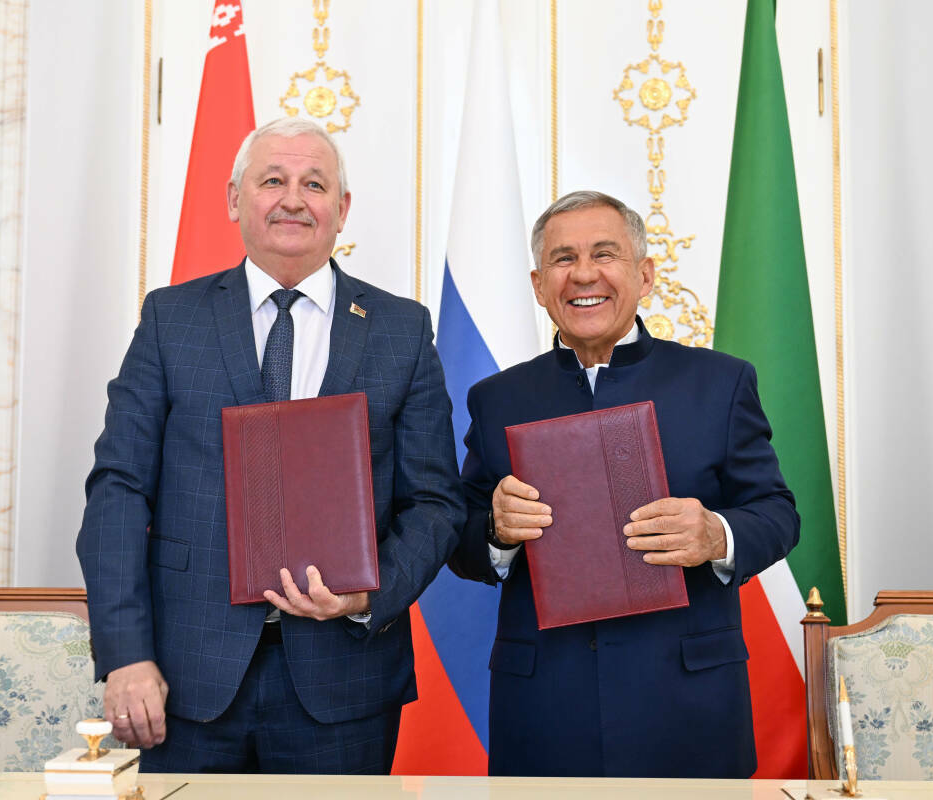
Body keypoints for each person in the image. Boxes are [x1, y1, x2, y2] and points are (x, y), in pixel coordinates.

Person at [76, 117, 463, 774]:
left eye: (314, 184)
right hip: (184, 677)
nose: (293, 200)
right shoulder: (171, 319)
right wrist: (125, 654)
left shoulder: (401, 329)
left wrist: (367, 596)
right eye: (273, 180)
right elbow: (118, 488)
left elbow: (435, 503)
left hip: (345, 682)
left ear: (342, 209)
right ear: (235, 200)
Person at [449, 190, 799, 778]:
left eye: (604, 254)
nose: (584, 274)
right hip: (545, 708)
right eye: (563, 259)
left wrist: (715, 534)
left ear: (645, 275)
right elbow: (457, 535)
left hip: (688, 704)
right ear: (539, 286)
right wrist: (494, 529)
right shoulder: (496, 398)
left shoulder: (720, 382)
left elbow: (777, 512)